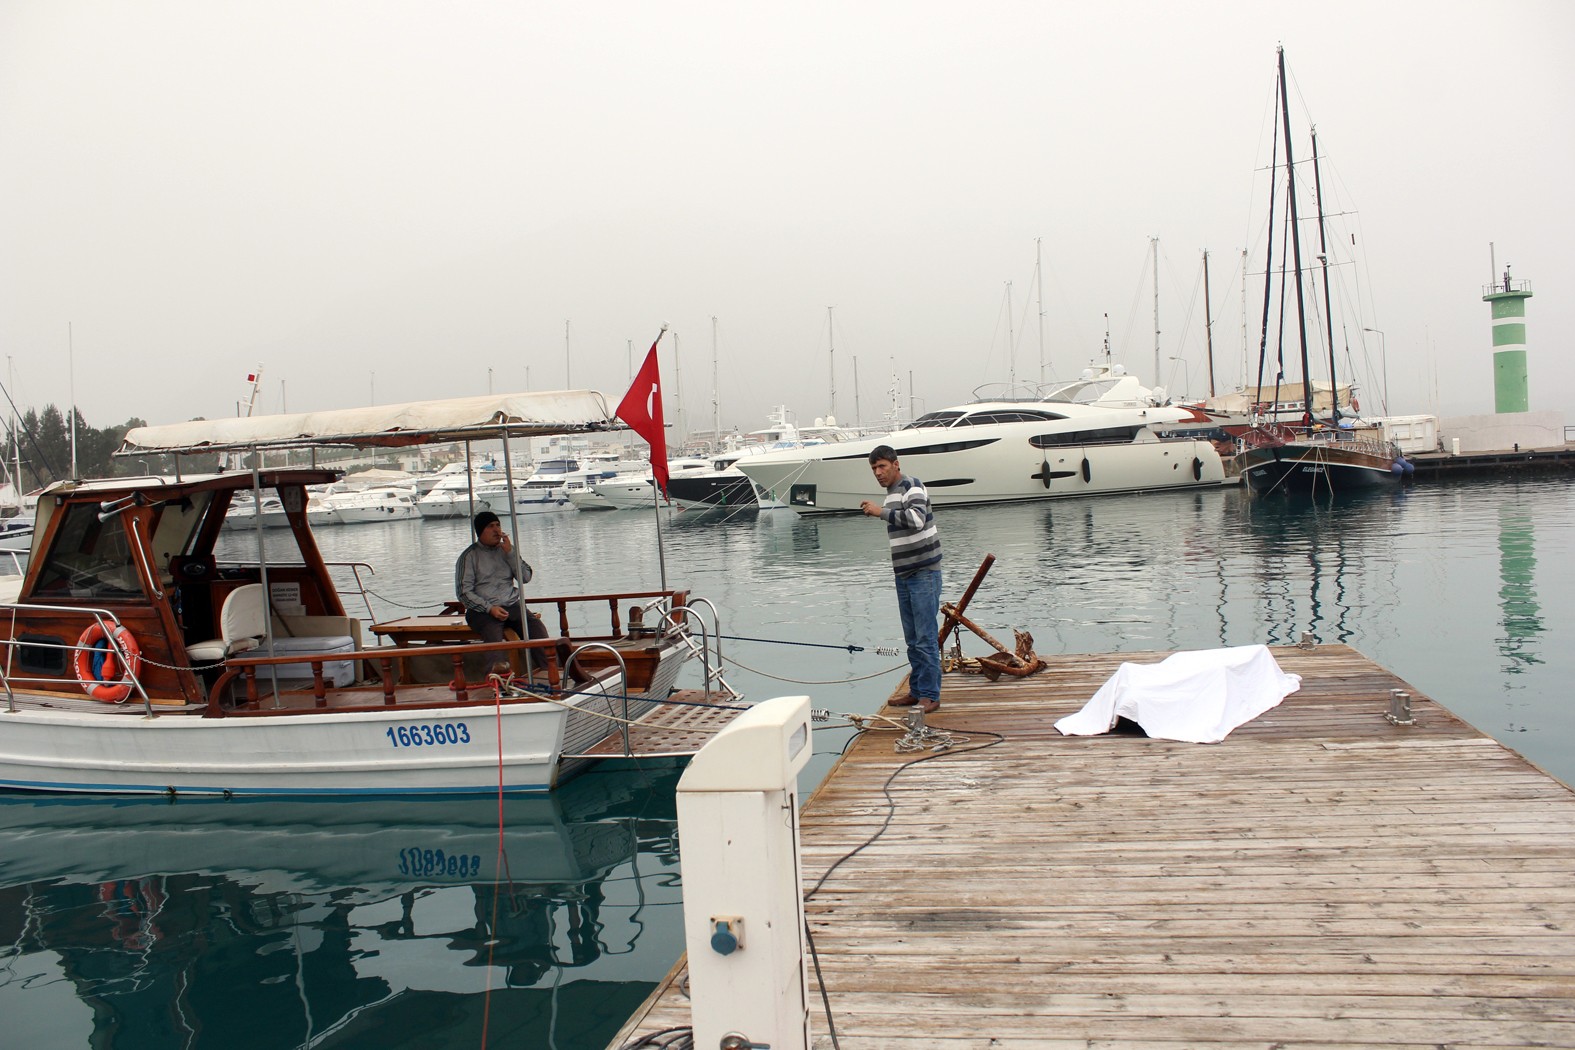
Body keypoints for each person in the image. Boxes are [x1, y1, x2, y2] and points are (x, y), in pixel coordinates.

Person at [860, 445, 942, 714]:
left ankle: (930, 695)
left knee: (925, 638)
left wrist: (879, 512)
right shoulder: (892, 493)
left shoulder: (911, 486)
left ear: (896, 464)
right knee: (912, 639)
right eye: (874, 468)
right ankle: (917, 690)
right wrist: (881, 510)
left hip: (924, 572)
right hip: (904, 574)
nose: (878, 472)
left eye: (882, 466)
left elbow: (917, 519)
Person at [454, 511, 578, 682]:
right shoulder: (469, 556)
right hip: (482, 611)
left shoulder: (507, 551)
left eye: (498, 525)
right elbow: (463, 593)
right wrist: (490, 609)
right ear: (480, 531)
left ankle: (552, 673)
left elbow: (526, 577)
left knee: (536, 627)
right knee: (493, 635)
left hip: (511, 605)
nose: (497, 530)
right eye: (491, 526)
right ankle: (498, 680)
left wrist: (511, 554)